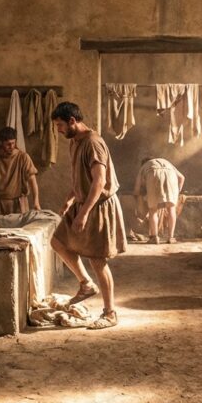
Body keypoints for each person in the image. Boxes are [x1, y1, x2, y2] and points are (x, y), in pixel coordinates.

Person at [49, 102, 127, 329]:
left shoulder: (93, 143)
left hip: (98, 205)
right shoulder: (75, 142)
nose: (58, 130)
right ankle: (86, 284)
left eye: (60, 125)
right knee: (58, 241)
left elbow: (99, 181)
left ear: (72, 121)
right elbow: (80, 176)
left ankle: (110, 313)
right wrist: (70, 199)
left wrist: (83, 214)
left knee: (97, 259)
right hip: (82, 202)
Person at [0, 126, 41, 214]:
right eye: (8, 144)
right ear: (0, 143)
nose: (11, 146)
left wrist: (36, 202)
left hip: (18, 205)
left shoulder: (23, 158)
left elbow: (32, 181)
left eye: (13, 143)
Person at [133, 157, 186, 244]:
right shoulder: (166, 162)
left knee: (153, 209)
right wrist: (176, 193)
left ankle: (154, 237)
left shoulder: (144, 167)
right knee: (171, 208)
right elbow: (182, 178)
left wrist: (136, 197)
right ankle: (171, 237)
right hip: (171, 177)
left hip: (154, 175)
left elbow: (137, 188)